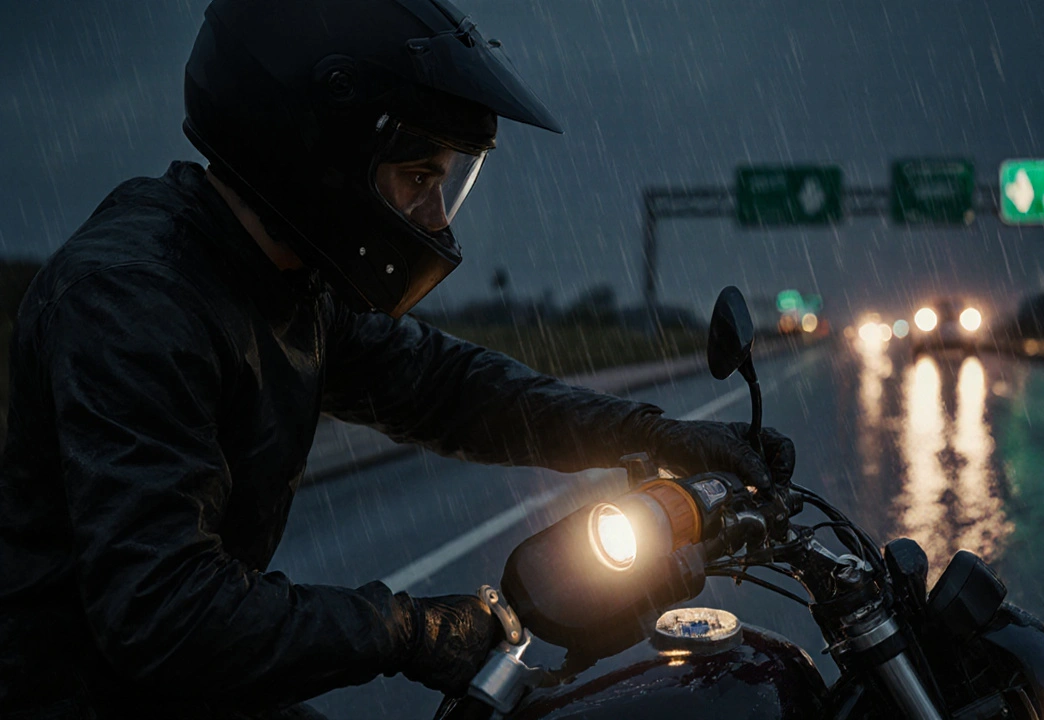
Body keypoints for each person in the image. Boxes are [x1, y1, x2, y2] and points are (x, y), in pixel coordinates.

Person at [0, 0, 794, 717]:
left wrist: (656, 435)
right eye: (419, 177)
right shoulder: (135, 302)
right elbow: (164, 612)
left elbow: (449, 390)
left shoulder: (282, 279)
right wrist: (408, 632)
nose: (435, 216)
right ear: (315, 149)